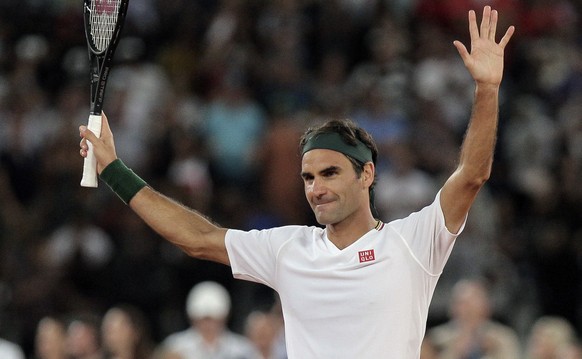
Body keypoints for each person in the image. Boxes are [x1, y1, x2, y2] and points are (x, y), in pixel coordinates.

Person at [79, 6, 514, 358]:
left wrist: (486, 89)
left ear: (367, 174)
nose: (315, 188)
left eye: (329, 173)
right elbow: (198, 237)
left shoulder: (413, 242)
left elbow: (471, 175)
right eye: (307, 177)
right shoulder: (288, 249)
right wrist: (114, 169)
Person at [158, 281, 260, 359]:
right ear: (192, 318)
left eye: (213, 320)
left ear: (225, 317)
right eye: (203, 320)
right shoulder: (175, 346)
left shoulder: (242, 349)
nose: (208, 325)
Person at [426, 278, 522, 359]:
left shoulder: (503, 338)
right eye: (462, 304)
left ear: (486, 308)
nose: (465, 310)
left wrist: (492, 351)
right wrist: (456, 351)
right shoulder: (437, 339)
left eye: (471, 306)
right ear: (452, 309)